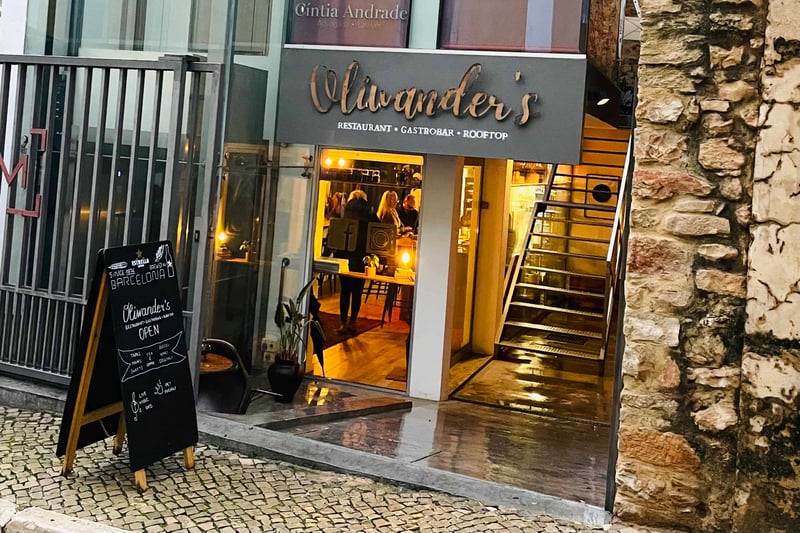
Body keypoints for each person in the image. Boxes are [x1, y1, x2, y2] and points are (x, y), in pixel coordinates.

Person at [334, 189, 371, 334]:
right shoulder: (367, 212)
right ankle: (353, 321)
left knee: (345, 291)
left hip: (345, 256)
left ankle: (343, 322)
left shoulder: (348, 210)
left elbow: (338, 233)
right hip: (361, 258)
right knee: (357, 292)